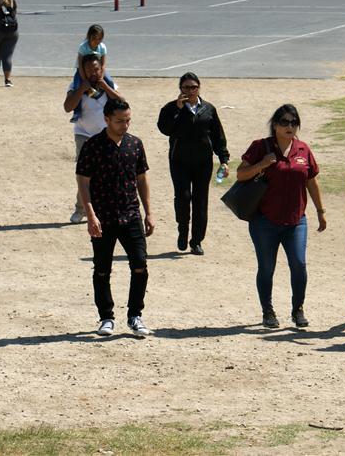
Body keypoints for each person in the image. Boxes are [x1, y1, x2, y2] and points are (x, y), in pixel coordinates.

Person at [237, 104, 327, 329]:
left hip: (296, 221)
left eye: (294, 122)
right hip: (264, 221)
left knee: (299, 264)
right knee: (267, 267)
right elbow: (240, 174)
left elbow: (311, 181)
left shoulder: (303, 149)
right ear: (275, 125)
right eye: (285, 122)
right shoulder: (261, 147)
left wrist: (320, 211)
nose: (290, 126)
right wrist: (262, 164)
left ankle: (298, 309)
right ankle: (267, 311)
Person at [76, 98, 155, 337]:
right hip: (103, 217)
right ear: (107, 119)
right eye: (120, 121)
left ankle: (135, 315)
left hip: (131, 215)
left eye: (128, 120)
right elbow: (83, 182)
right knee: (102, 269)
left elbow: (142, 178)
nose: (125, 125)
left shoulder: (135, 145)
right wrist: (90, 215)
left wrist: (149, 212)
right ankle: (106, 317)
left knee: (140, 265)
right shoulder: (93, 146)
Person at [157, 73, 230, 255]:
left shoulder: (209, 109)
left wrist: (224, 160)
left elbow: (218, 136)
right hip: (179, 161)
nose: (190, 91)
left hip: (203, 163)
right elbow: (164, 129)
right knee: (183, 197)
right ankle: (183, 230)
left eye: (193, 87)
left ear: (199, 88)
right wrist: (177, 109)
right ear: (180, 89)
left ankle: (196, 240)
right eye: (186, 88)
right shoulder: (170, 108)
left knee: (200, 201)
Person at [65, 55, 124, 224]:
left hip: (107, 135)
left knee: (109, 172)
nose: (93, 73)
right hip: (84, 134)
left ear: (102, 69)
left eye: (96, 69)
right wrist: (81, 90)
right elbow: (67, 107)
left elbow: (122, 103)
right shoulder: (76, 85)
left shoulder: (109, 84)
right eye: (89, 70)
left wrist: (106, 87)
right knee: (85, 174)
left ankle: (107, 207)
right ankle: (80, 209)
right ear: (82, 71)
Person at [70, 25, 113, 121]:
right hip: (82, 70)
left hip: (98, 70)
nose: (96, 41)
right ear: (89, 36)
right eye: (94, 38)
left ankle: (113, 105)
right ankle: (77, 111)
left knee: (110, 82)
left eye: (99, 39)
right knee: (77, 86)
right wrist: (85, 80)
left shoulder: (102, 47)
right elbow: (80, 65)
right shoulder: (83, 47)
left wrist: (101, 78)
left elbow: (103, 65)